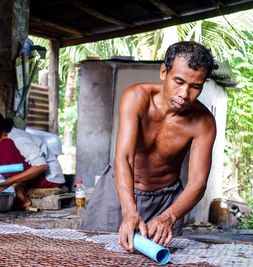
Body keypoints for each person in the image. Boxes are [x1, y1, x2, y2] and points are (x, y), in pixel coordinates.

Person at [81, 41, 216, 252]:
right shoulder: (137, 97)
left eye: (195, 87)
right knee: (94, 253)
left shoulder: (204, 122)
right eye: (178, 81)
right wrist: (129, 211)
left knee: (157, 258)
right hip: (118, 190)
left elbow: (198, 182)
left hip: (166, 201)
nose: (184, 94)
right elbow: (124, 158)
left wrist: (169, 216)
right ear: (164, 72)